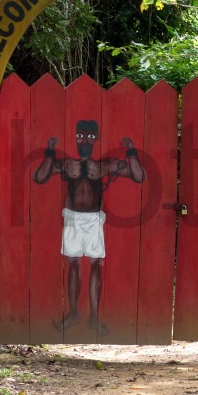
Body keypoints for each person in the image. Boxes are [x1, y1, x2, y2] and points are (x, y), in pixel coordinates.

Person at [33, 119, 145, 335]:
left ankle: (94, 316)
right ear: (75, 138)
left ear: (96, 139)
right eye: (81, 136)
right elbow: (40, 176)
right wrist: (49, 152)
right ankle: (74, 313)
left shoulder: (103, 165)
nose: (85, 140)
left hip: (93, 220)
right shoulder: (68, 164)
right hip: (73, 219)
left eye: (90, 137)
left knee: (96, 264)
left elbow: (139, 176)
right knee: (73, 263)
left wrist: (131, 152)